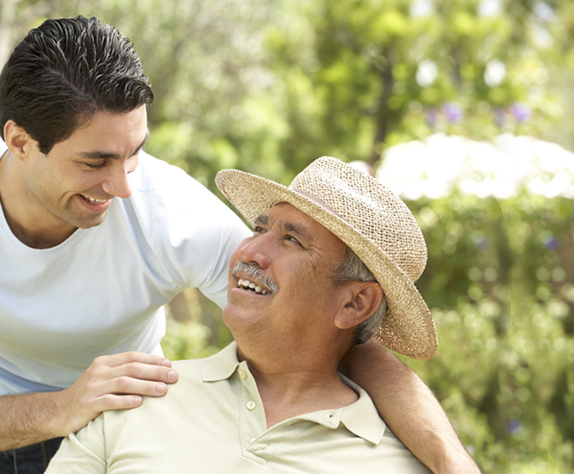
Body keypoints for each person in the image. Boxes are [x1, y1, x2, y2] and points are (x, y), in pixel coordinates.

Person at [0, 16, 479, 474]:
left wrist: (452, 463)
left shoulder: (164, 208)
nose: (122, 185)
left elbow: (327, 323)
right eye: (96, 161)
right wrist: (58, 407)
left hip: (118, 435)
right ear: (18, 141)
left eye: (135, 152)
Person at [44, 157, 457, 473]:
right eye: (261, 229)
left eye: (292, 241)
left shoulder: (394, 463)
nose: (249, 252)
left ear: (355, 304)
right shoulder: (132, 399)